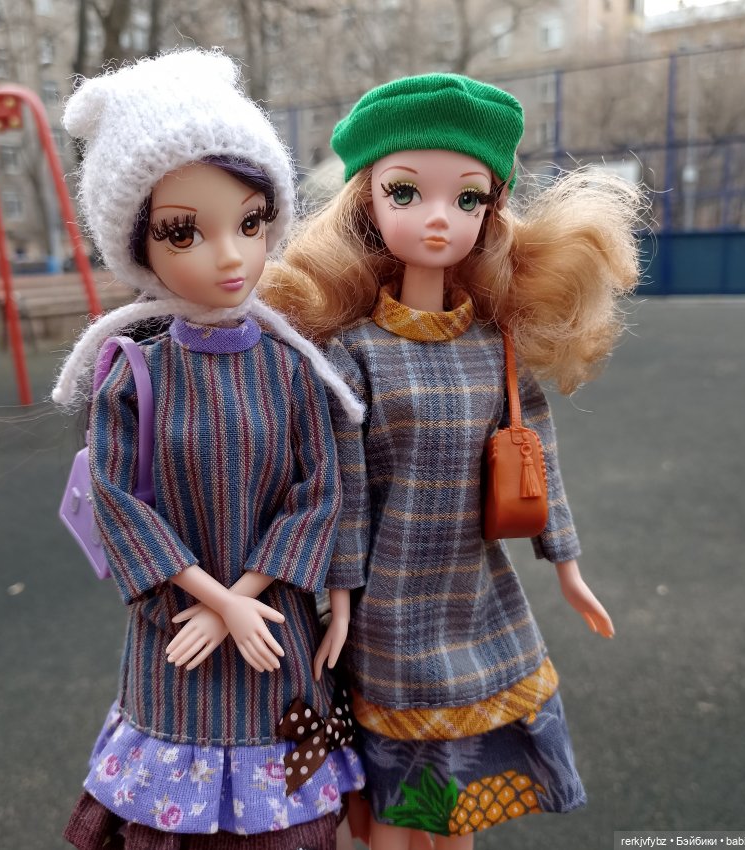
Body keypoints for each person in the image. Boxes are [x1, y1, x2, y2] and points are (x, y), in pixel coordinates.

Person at [263, 73, 644, 850]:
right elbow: (342, 489)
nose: (438, 218)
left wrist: (567, 566)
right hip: (387, 605)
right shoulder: (355, 352)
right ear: (367, 204)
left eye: (467, 199)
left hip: (475, 594)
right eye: (406, 193)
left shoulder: (495, 348)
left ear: (491, 212)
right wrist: (340, 595)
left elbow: (537, 459)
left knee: (457, 809)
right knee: (397, 809)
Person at [51, 49, 365, 850]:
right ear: (141, 244)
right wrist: (216, 601)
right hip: (175, 636)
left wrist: (243, 598)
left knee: (287, 822)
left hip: (273, 637)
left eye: (251, 223)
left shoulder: (291, 368)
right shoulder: (134, 373)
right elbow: (120, 503)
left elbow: (318, 492)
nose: (230, 255)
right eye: (185, 231)